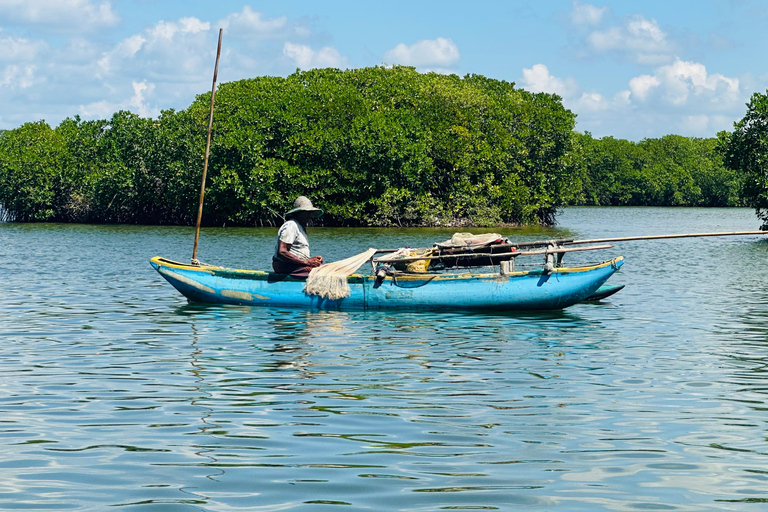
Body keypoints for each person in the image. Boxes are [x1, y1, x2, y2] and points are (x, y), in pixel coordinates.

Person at [272, 196, 324, 277]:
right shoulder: (291, 225)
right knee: (319, 273)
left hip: (297, 265)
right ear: (299, 213)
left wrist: (312, 260)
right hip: (286, 266)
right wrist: (306, 262)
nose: (309, 216)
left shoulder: (300, 227)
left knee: (323, 268)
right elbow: (282, 252)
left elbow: (298, 253)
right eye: (306, 213)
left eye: (310, 213)